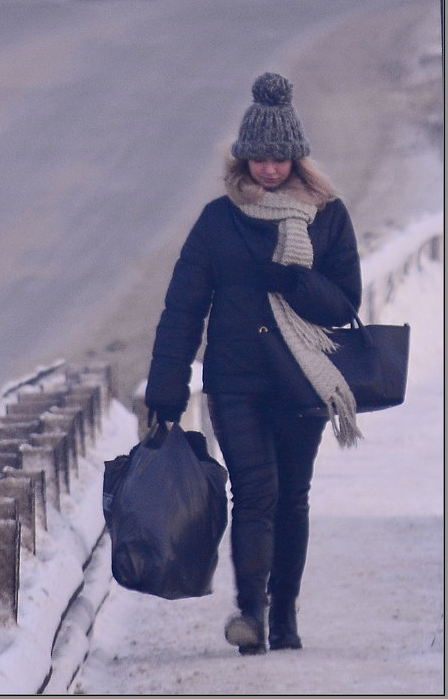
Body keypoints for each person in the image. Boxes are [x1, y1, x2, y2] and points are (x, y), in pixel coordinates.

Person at [144, 72, 363, 656]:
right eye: (259, 158)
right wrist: (167, 387)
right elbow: (183, 307)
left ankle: (285, 613)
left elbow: (345, 304)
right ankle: (251, 614)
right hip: (235, 383)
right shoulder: (218, 220)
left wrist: (294, 282)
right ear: (243, 159)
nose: (269, 168)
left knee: (292, 496)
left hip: (301, 381)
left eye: (280, 157)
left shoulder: (328, 216)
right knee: (255, 493)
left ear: (297, 156)